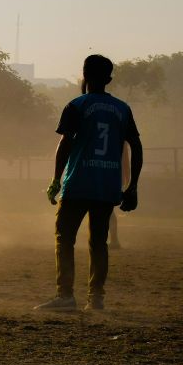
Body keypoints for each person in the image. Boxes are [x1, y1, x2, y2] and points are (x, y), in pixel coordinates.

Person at [38, 55, 143, 312]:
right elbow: (136, 146)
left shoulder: (77, 105)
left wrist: (55, 181)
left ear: (83, 75)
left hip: (78, 183)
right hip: (107, 186)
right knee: (99, 242)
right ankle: (96, 298)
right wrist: (133, 186)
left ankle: (65, 296)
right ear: (109, 79)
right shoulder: (122, 109)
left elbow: (65, 145)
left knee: (64, 238)